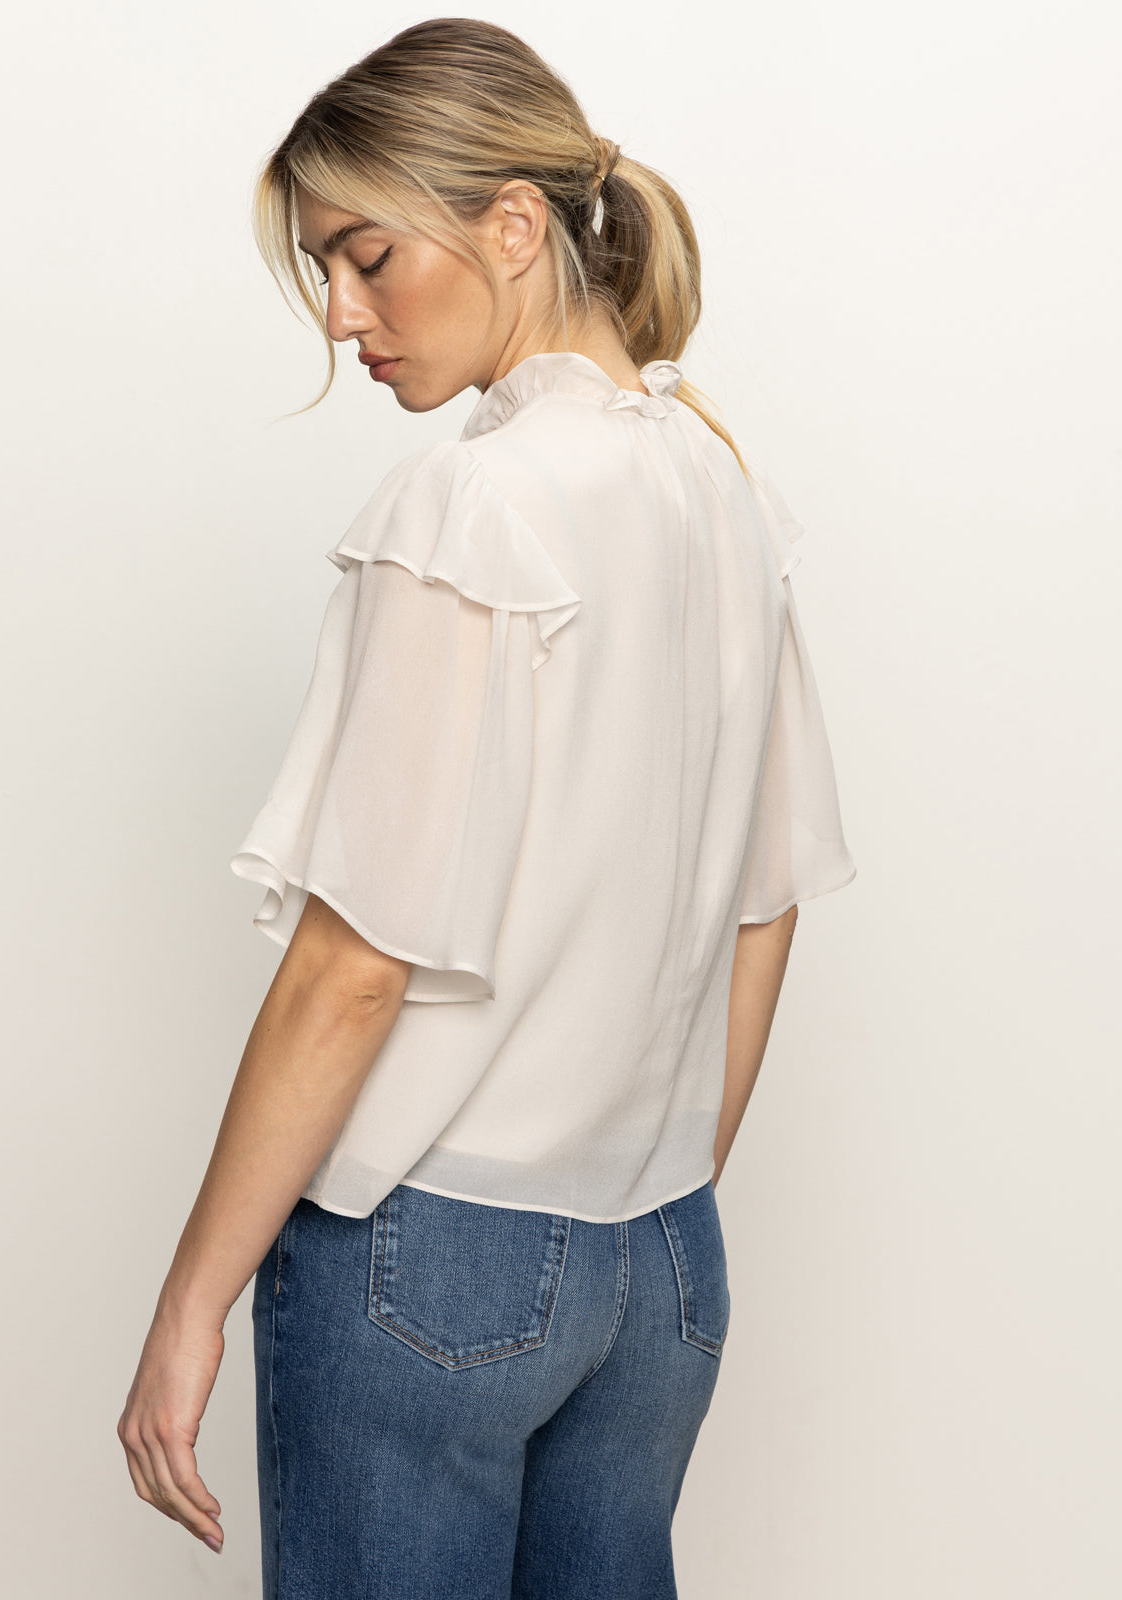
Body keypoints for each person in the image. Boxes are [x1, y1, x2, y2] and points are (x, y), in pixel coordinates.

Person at [117, 17, 856, 1598]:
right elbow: (770, 901)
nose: (342, 313)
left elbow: (354, 963)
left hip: (428, 1258)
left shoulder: (476, 500)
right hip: (659, 1260)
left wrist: (193, 1305)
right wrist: (641, 1186)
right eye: (324, 270)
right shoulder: (723, 493)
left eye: (369, 255)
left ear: (514, 224)